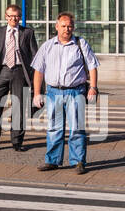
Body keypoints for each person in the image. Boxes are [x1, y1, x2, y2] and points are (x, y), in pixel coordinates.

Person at [31, 12, 99, 174]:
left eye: (69, 26)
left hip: (75, 91)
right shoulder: (47, 46)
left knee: (76, 128)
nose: (67, 29)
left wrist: (93, 87)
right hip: (53, 92)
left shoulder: (80, 44)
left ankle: (78, 162)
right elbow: (39, 71)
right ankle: (52, 161)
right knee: (54, 128)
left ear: (73, 27)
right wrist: (37, 93)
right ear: (56, 27)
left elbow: (92, 66)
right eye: (63, 26)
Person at [0, 4, 39, 152]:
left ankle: (17, 141)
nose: (13, 19)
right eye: (10, 16)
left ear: (20, 17)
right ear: (6, 17)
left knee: (19, 107)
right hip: (2, 71)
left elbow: (35, 56)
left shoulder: (27, 33)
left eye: (16, 16)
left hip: (20, 72)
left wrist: (34, 77)